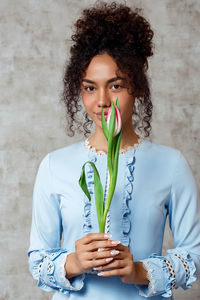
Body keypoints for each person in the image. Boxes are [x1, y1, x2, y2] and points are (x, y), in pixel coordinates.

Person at [28, 2, 200, 300]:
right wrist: (75, 262)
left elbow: (194, 256)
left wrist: (139, 271)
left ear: (138, 86)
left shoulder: (171, 164)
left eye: (116, 85)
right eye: (90, 88)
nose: (102, 101)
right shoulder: (54, 165)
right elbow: (37, 261)